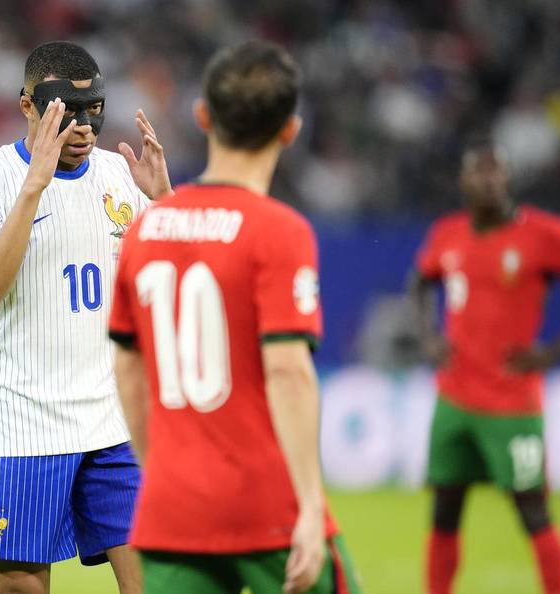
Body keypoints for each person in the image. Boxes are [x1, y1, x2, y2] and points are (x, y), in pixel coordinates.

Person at [108, 40, 363, 594]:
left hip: (173, 509)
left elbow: (127, 370)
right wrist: (312, 509)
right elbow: (289, 371)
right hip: (263, 503)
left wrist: (159, 472)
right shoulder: (280, 230)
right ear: (290, 129)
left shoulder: (146, 229)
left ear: (203, 117)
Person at [0, 41, 172, 594]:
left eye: (93, 110)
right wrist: (34, 188)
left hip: (112, 424)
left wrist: (166, 204)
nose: (83, 127)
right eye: (65, 112)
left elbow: (177, 288)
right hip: (23, 425)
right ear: (28, 105)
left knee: (157, 580)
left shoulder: (123, 178)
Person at [407, 139, 560, 594]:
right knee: (444, 512)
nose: (488, 178)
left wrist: (554, 352)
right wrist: (429, 335)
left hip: (512, 404)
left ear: (509, 179)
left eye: (496, 170)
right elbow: (421, 283)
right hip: (455, 400)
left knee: (533, 513)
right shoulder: (447, 233)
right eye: (478, 170)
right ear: (463, 182)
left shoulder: (545, 235)